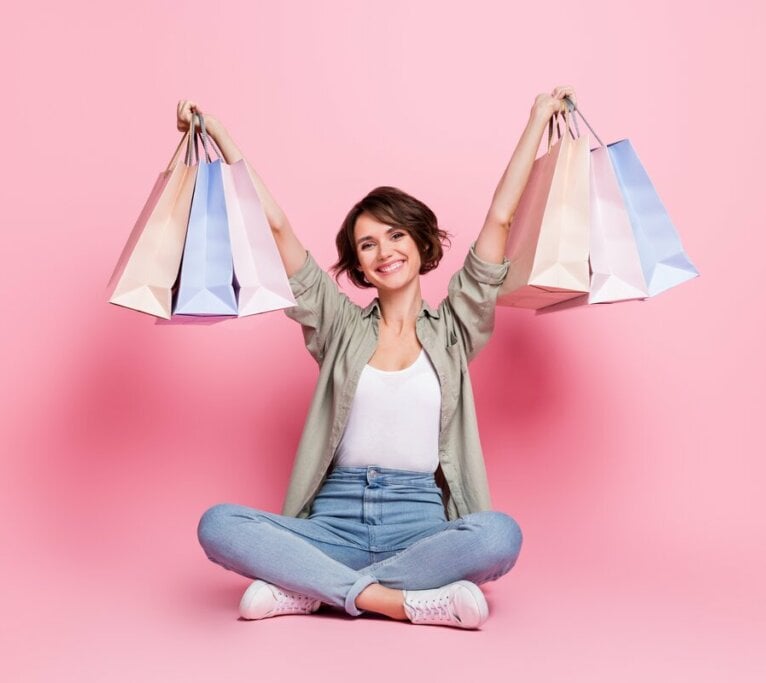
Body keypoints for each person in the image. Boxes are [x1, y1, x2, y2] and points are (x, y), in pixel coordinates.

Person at [186, 86, 578, 629]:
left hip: (419, 527)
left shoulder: (454, 330)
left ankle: (309, 588)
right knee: (218, 524)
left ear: (420, 245)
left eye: (395, 235)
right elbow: (275, 230)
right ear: (360, 266)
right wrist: (222, 137)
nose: (384, 250)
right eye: (367, 244)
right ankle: (397, 600)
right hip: (332, 523)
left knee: (499, 535)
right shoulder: (339, 327)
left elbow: (500, 219)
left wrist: (537, 118)